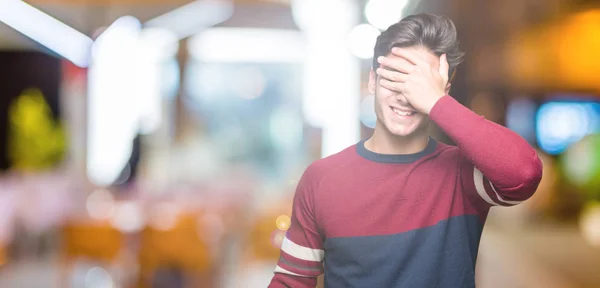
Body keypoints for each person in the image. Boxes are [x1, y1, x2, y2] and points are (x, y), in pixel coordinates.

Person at [268, 13, 543, 288]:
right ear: (373, 80)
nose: (406, 95)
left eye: (420, 83)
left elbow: (524, 172)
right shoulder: (321, 179)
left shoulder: (464, 175)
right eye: (396, 77)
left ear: (441, 90)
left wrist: (437, 102)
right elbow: (291, 282)